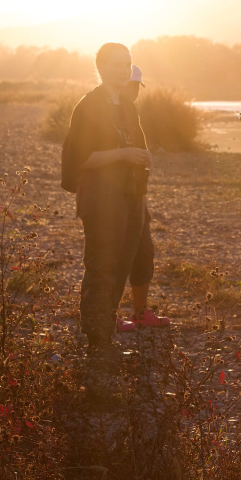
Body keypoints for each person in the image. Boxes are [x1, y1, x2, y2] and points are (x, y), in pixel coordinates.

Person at [60, 44, 162, 360]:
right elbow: (79, 159)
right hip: (101, 198)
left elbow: (135, 148)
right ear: (101, 67)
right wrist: (123, 154)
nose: (122, 70)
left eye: (127, 64)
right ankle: (97, 339)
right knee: (102, 265)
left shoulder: (127, 107)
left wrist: (140, 159)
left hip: (130, 196)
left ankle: (106, 331)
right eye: (116, 64)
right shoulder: (89, 105)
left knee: (124, 261)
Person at [116, 64, 169, 331]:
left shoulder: (131, 112)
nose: (134, 91)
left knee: (143, 251)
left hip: (136, 192)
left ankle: (140, 312)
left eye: (137, 86)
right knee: (113, 254)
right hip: (114, 195)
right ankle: (107, 314)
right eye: (130, 85)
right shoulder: (105, 111)